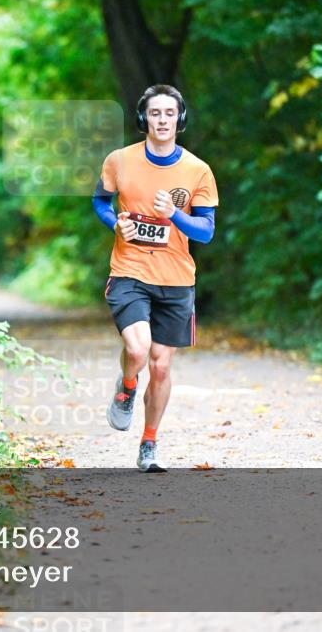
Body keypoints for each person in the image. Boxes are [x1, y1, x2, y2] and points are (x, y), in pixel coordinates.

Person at [91, 84, 219, 472]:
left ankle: (149, 443)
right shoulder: (119, 160)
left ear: (180, 119)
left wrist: (174, 215)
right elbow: (100, 201)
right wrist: (116, 224)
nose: (162, 120)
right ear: (143, 118)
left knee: (161, 366)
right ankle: (127, 386)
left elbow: (206, 232)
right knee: (137, 350)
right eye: (155, 113)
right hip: (129, 269)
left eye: (169, 113)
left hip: (176, 278)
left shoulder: (198, 170)